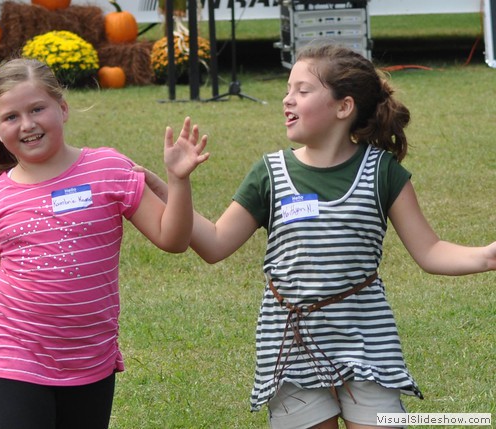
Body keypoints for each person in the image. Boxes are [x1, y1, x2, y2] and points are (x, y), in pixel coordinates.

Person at [137, 43, 496, 429]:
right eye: (287, 89)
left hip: (368, 343)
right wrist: (176, 185)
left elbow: (431, 251)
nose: (287, 99)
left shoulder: (381, 171)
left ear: (344, 107)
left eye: (303, 90)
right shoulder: (269, 173)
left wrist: (488, 256)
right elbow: (214, 243)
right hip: (291, 349)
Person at [0, 58, 209, 429]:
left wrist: (178, 181)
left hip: (90, 360)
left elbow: (172, 239)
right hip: (13, 358)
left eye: (37, 109)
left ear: (63, 108)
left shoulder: (108, 169)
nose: (27, 124)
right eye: (11, 117)